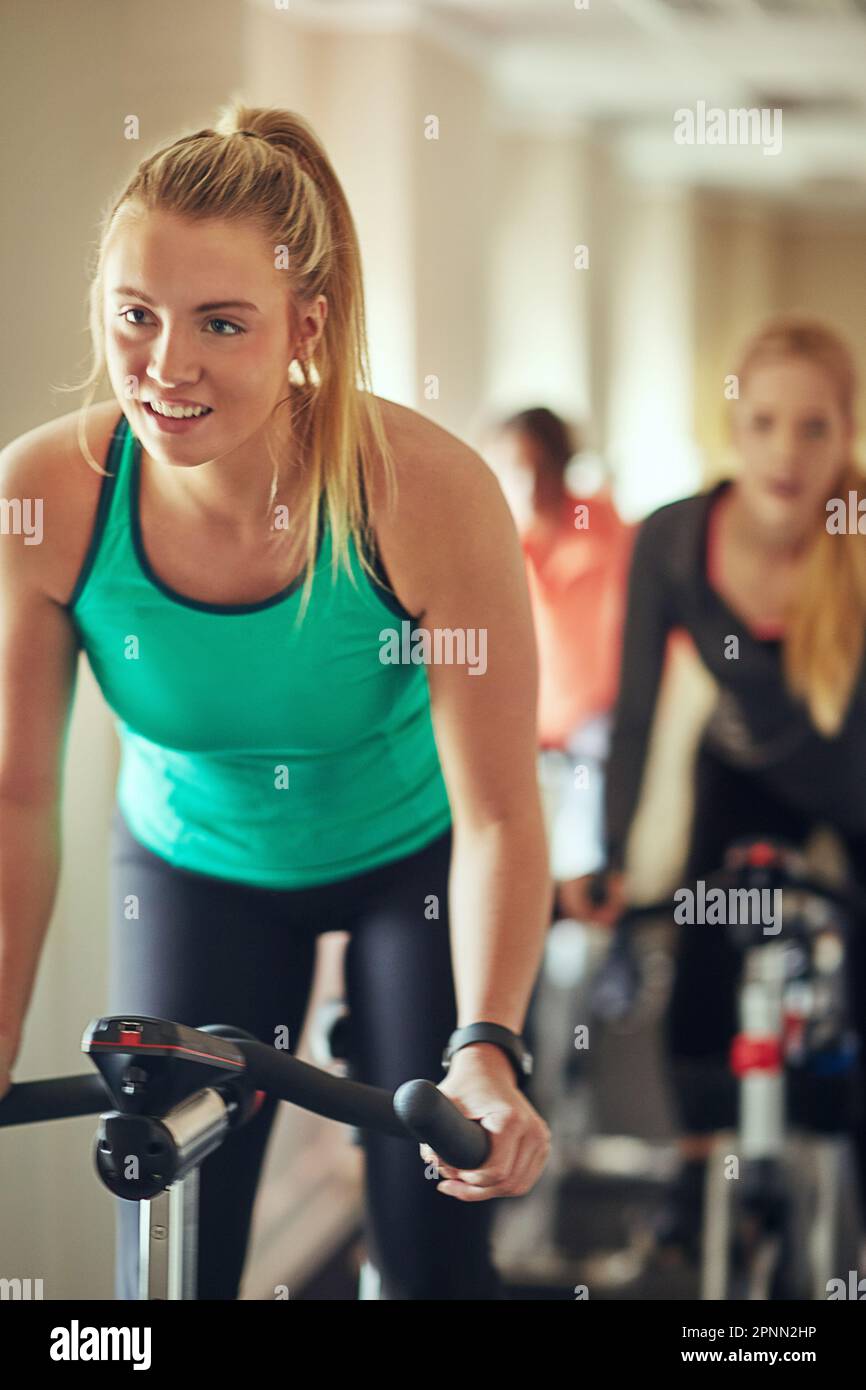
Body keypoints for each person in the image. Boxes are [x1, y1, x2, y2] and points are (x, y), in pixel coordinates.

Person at [0, 101, 553, 1300]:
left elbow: (503, 809)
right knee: (171, 1233)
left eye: (221, 323)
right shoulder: (46, 497)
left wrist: (490, 1049)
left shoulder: (422, 493)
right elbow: (13, 799)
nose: (166, 366)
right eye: (135, 316)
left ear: (304, 324)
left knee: (431, 1241)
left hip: (412, 859)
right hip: (196, 864)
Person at [566, 316, 866, 1259]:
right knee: (699, 947)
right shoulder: (674, 538)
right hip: (743, 773)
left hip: (858, 781)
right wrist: (611, 856)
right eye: (766, 423)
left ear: (845, 434)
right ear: (735, 430)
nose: (788, 452)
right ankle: (700, 1177)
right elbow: (641, 712)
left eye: (815, 428)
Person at [484, 408, 634, 890]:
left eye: (539, 466)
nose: (528, 482)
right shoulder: (495, 541)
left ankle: (587, 889)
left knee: (584, 835)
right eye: (515, 468)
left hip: (596, 722)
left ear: (562, 465)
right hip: (526, 725)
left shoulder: (605, 530)